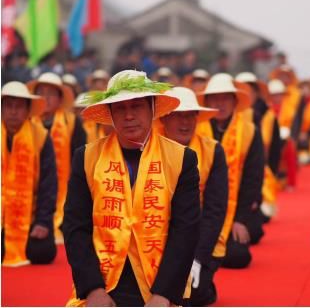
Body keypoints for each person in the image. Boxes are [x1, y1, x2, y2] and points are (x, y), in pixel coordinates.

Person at [62, 70, 201, 307]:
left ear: (152, 109)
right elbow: (75, 227)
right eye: (120, 108)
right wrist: (93, 290)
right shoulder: (86, 157)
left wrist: (164, 295)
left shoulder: (181, 159)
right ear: (111, 114)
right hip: (105, 282)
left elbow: (185, 232)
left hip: (159, 282)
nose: (129, 116)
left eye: (136, 106)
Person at [157, 86, 228, 306]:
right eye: (178, 116)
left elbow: (215, 210)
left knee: (190, 295)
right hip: (155, 240)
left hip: (200, 240)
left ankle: (206, 284)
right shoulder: (149, 149)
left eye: (190, 116)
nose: (185, 122)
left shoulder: (213, 150)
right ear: (164, 119)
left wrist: (197, 258)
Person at [196, 73, 265, 269]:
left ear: (235, 101)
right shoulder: (195, 127)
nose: (220, 103)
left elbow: (254, 178)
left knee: (238, 256)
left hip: (233, 208)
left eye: (225, 97)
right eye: (215, 98)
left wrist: (240, 219)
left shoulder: (250, 131)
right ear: (207, 101)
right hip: (200, 209)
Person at [1, 81, 58, 266]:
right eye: (8, 106)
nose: (13, 111)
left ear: (28, 110)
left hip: (30, 214)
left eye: (19, 106)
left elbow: (49, 184)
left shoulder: (40, 136)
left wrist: (42, 220)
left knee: (43, 252)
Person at [27, 72, 87, 243]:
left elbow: (80, 158)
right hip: (32, 188)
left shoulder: (72, 122)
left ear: (60, 98)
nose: (45, 98)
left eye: (50, 93)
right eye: (41, 93)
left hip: (66, 191)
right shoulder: (28, 122)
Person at [235, 72, 282, 221]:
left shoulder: (268, 115)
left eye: (250, 90)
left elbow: (275, 149)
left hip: (260, 169)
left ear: (256, 93)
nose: (247, 94)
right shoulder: (230, 115)